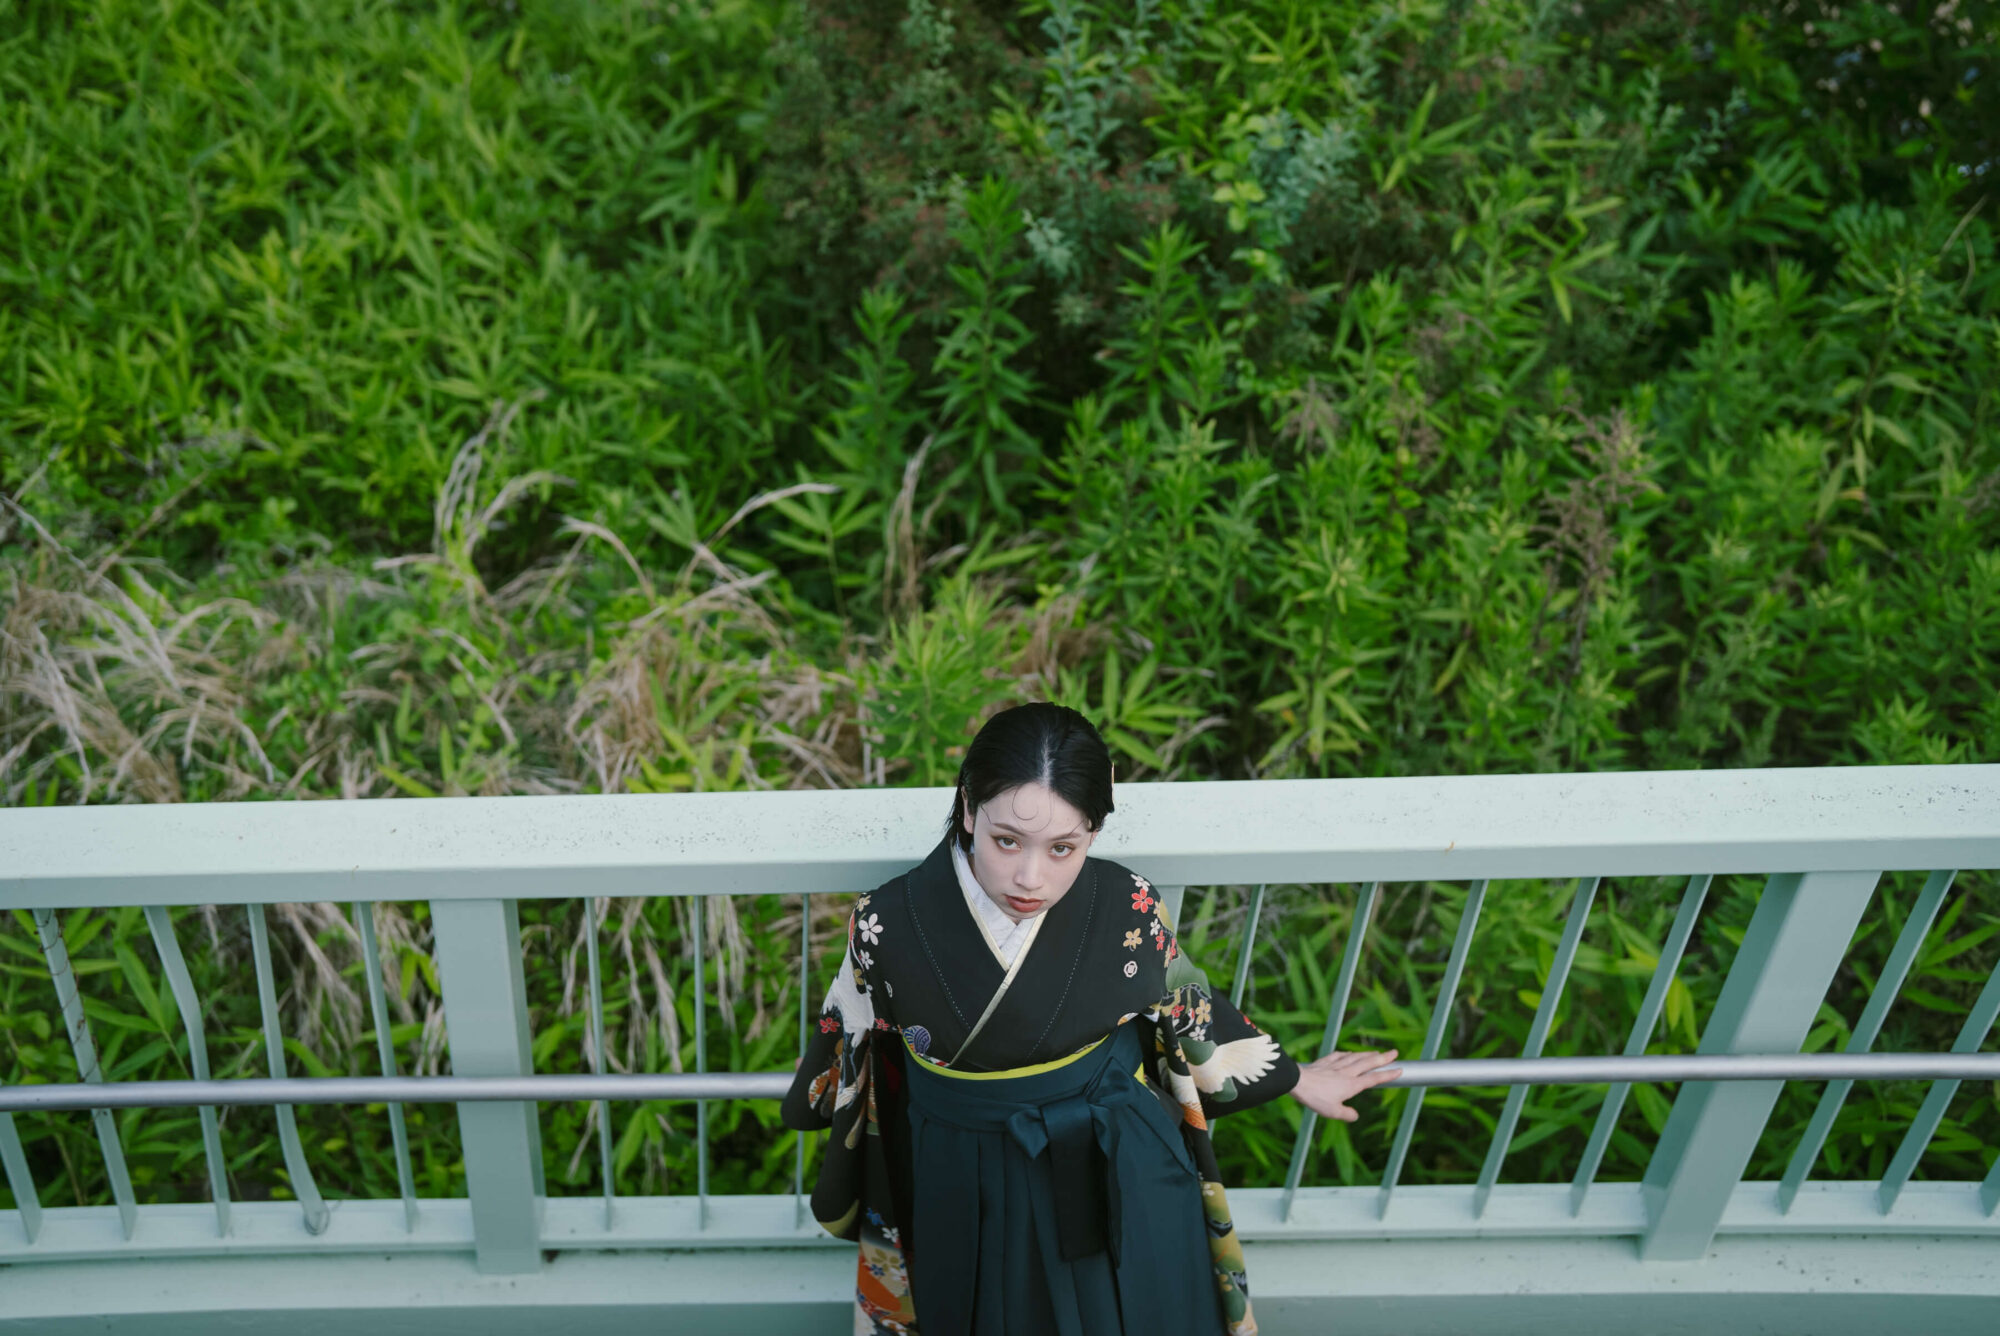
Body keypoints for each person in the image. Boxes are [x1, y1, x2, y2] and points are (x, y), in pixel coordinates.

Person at [780, 702, 1399, 1335]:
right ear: (967, 807)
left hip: (1117, 1149)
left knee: (1147, 1308)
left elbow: (1186, 1010)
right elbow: (855, 1037)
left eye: (1063, 848)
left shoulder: (1123, 904)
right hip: (960, 1165)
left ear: (1094, 834)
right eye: (1006, 840)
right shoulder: (886, 923)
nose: (1030, 877)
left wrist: (1295, 1077)